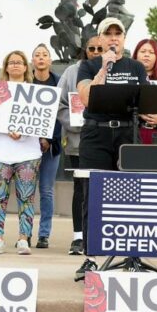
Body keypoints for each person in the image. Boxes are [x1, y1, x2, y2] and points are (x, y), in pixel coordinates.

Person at [75, 17, 147, 279]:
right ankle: (91, 257)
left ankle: (132, 253)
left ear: (124, 39)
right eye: (109, 34)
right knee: (92, 193)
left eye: (119, 33)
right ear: (101, 39)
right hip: (96, 133)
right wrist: (104, 68)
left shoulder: (136, 67)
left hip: (128, 132)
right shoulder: (89, 65)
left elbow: (146, 101)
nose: (114, 38)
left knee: (131, 194)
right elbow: (86, 97)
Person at [0, 51, 42, 255]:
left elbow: (42, 121)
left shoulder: (37, 93)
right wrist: (6, 129)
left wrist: (24, 132)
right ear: (6, 67)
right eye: (12, 62)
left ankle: (23, 239)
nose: (16, 65)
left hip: (28, 153)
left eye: (20, 62)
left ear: (26, 67)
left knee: (26, 197)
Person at [57, 35, 103, 255]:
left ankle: (101, 235)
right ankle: (78, 237)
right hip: (78, 141)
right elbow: (59, 103)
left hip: (106, 142)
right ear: (85, 50)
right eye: (91, 48)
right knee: (81, 190)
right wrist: (76, 124)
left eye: (99, 48)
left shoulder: (116, 71)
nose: (95, 51)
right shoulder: (71, 73)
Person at [31, 43, 62, 249]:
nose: (41, 58)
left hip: (51, 146)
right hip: (27, 145)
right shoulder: (26, 83)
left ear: (50, 61)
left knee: (46, 190)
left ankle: (44, 234)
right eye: (37, 55)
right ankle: (24, 233)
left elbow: (62, 115)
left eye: (45, 55)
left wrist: (48, 139)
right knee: (26, 191)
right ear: (32, 60)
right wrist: (36, 138)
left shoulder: (58, 83)